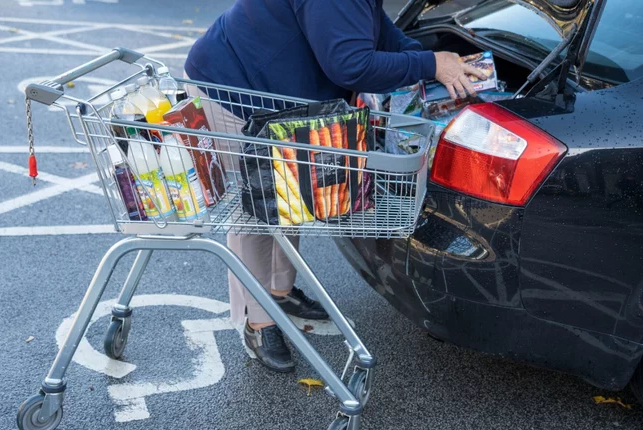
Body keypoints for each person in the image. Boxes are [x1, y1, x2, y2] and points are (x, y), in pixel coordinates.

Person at [184, 0, 485, 373]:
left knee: (286, 196)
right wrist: (431, 64)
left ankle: (279, 292)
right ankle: (258, 321)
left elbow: (377, 30)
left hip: (277, 91)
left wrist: (428, 59)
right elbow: (350, 64)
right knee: (257, 209)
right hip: (238, 87)